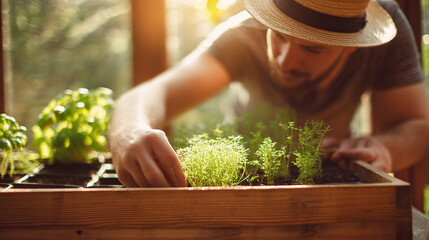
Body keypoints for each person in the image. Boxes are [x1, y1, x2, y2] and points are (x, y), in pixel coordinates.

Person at [109, 0, 429, 187]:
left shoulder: (385, 34)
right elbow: (157, 92)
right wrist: (129, 129)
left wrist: (384, 147)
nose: (285, 59)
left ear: (351, 50)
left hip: (333, 175)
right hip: (246, 178)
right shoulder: (244, 34)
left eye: (313, 49)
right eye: (278, 36)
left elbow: (414, 124)